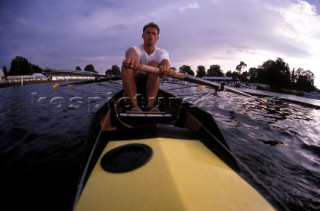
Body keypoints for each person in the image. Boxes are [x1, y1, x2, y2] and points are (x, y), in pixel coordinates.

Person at [122, 22, 171, 111]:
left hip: (152, 82)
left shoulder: (161, 52)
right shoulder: (136, 48)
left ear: (157, 38)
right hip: (135, 82)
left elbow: (165, 60)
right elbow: (131, 51)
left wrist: (165, 66)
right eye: (148, 33)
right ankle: (134, 106)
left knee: (154, 63)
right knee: (126, 65)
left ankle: (150, 105)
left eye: (153, 33)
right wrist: (131, 57)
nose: (150, 35)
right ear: (143, 36)